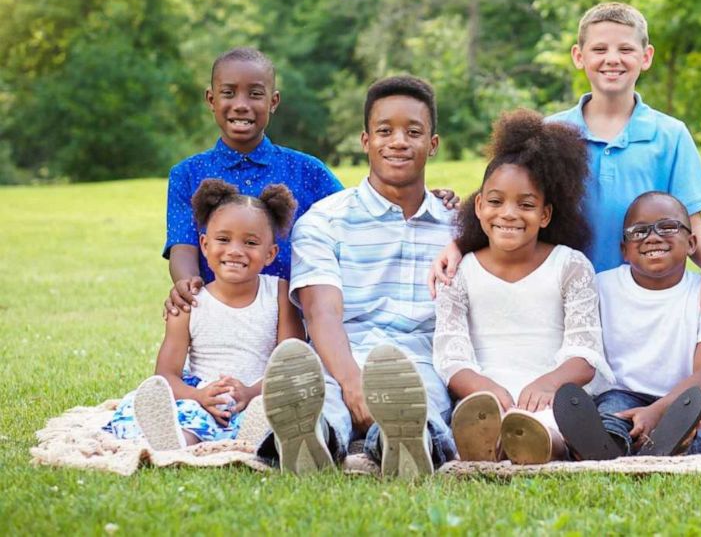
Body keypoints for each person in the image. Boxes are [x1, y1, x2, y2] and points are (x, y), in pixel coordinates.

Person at [431, 2, 701, 324]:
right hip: (560, 299)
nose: (612, 59)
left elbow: (694, 222)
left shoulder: (670, 135)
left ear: (646, 57)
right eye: (599, 49)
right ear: (579, 56)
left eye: (626, 49)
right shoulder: (550, 132)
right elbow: (508, 203)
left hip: (644, 300)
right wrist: (458, 245)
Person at [258, 75, 457, 478]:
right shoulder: (324, 221)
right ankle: (308, 441)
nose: (398, 141)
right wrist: (353, 385)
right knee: (321, 400)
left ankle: (405, 443)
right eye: (384, 131)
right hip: (339, 358)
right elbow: (321, 315)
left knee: (421, 402)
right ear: (366, 141)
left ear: (432, 145)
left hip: (420, 360)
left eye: (413, 132)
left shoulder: (457, 227)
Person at [432, 109, 614, 465]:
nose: (510, 213)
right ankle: (488, 442)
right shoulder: (461, 271)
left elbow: (585, 352)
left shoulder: (570, 265)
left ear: (545, 214)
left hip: (553, 393)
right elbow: (451, 355)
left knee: (548, 424)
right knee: (483, 418)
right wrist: (484, 388)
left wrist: (548, 384)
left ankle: (541, 444)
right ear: (480, 206)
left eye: (526, 205)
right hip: (485, 394)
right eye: (496, 202)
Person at [105, 179, 304, 448]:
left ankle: (252, 434)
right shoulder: (190, 303)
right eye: (223, 239)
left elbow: (290, 363)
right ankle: (174, 440)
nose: (235, 250)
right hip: (202, 394)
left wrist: (251, 392)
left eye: (250, 243)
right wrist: (199, 396)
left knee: (280, 408)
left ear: (270, 254)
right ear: (204, 244)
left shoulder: (279, 294)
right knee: (191, 415)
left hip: (261, 391)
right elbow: (165, 376)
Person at [552, 191, 701, 460]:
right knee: (610, 415)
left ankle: (676, 444)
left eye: (667, 227)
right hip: (622, 394)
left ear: (691, 242)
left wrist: (659, 410)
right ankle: (607, 444)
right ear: (624, 250)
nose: (653, 237)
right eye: (639, 232)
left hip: (687, 400)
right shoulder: (602, 287)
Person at [162, 47, 344, 317]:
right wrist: (186, 282)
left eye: (256, 94)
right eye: (228, 93)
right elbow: (182, 245)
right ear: (211, 100)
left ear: (274, 101)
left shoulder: (308, 170)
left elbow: (353, 216)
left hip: (294, 315)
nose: (241, 104)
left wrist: (424, 197)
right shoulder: (187, 174)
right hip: (218, 313)